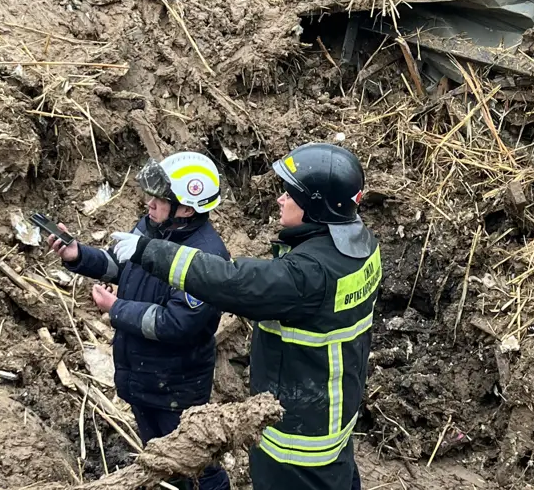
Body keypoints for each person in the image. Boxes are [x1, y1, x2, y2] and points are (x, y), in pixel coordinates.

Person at [107, 143, 381, 490]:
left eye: (290, 195)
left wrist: (150, 252)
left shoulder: (310, 273)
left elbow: (236, 283)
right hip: (335, 409)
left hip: (298, 433)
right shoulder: (360, 245)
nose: (281, 200)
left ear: (315, 207)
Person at [47, 152, 231, 490]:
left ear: (187, 209)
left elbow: (178, 323)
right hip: (141, 379)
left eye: (159, 198)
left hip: (176, 389)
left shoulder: (207, 258)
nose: (149, 203)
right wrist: (77, 255)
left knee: (198, 468)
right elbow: (121, 265)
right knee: (161, 461)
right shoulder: (154, 225)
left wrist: (116, 308)